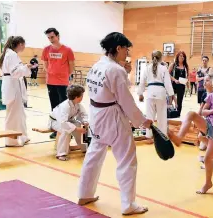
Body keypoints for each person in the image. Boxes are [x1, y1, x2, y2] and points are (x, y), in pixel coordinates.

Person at [78, 32, 152, 216]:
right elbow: (126, 100)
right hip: (112, 117)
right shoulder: (115, 70)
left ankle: (84, 193)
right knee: (127, 159)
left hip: (96, 114)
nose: (127, 53)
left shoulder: (98, 65)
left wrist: (124, 70)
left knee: (94, 154)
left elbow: (110, 87)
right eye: (126, 49)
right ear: (118, 48)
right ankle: (128, 204)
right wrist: (142, 121)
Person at [0, 36, 32, 146]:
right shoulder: (12, 55)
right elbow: (15, 72)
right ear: (20, 44)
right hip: (12, 84)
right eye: (24, 45)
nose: (24, 47)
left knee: (19, 113)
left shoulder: (6, 54)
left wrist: (4, 71)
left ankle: (23, 136)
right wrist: (26, 67)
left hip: (9, 83)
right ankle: (11, 141)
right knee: (13, 114)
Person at [42, 28, 75, 139]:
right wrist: (52, 74)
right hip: (50, 82)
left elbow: (71, 67)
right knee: (54, 107)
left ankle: (67, 130)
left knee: (64, 107)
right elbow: (45, 65)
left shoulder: (67, 50)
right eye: (48, 38)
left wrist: (63, 75)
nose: (50, 39)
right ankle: (56, 130)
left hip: (63, 83)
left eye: (52, 37)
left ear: (58, 36)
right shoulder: (46, 50)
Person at [137, 50, 174, 143]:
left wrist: (140, 93)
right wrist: (171, 95)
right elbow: (167, 83)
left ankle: (149, 136)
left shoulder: (147, 68)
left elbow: (142, 81)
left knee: (149, 116)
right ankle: (163, 136)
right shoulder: (163, 68)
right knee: (162, 116)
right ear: (161, 58)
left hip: (150, 92)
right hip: (160, 93)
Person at [49, 85, 88, 161]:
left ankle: (84, 148)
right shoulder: (65, 106)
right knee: (65, 130)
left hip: (67, 121)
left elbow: (84, 114)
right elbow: (63, 123)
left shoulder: (77, 104)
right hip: (55, 122)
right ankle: (61, 153)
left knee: (80, 125)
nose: (83, 97)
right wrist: (76, 129)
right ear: (76, 97)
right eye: (82, 95)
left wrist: (85, 121)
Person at [168, 51, 189, 116]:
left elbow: (187, 75)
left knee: (180, 100)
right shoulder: (173, 65)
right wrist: (174, 80)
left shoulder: (185, 66)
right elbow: (167, 74)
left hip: (182, 85)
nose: (182, 57)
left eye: (183, 56)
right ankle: (169, 112)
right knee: (170, 98)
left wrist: (187, 82)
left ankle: (178, 114)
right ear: (177, 57)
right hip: (173, 84)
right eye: (180, 56)